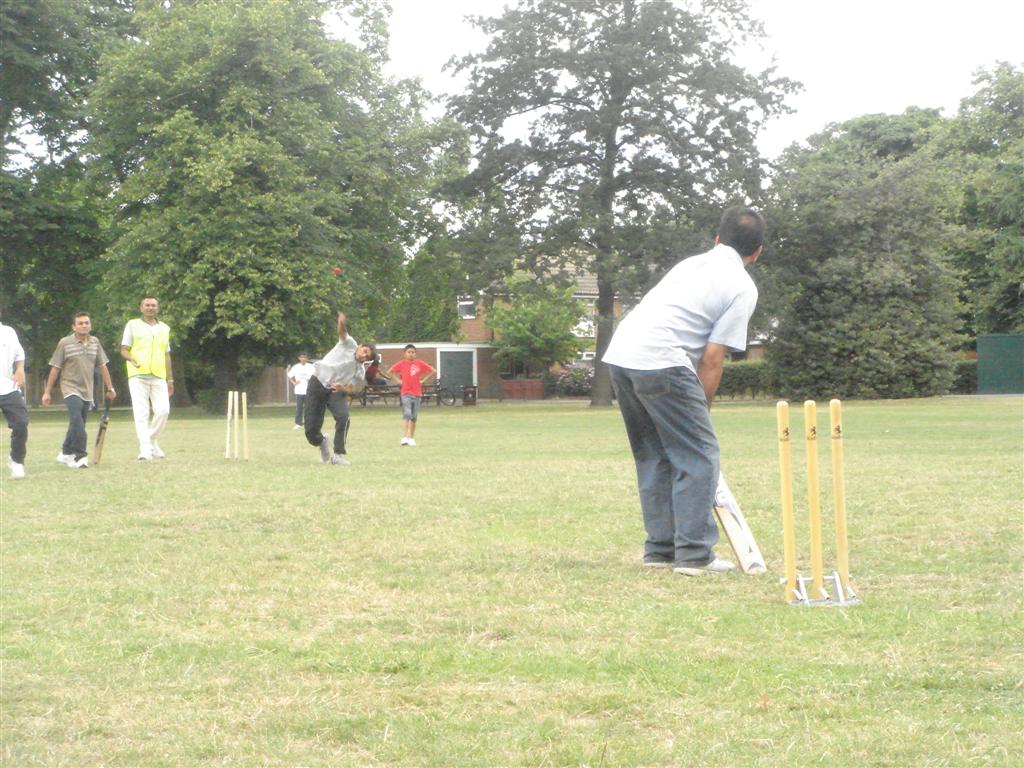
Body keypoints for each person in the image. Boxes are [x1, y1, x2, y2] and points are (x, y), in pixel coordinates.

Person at [602, 206, 764, 576]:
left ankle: (660, 550)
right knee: (699, 455)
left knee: (653, 454)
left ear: (717, 239)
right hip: (663, 359)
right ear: (757, 252)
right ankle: (694, 554)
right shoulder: (742, 287)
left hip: (621, 356)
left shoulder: (689, 265)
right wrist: (701, 410)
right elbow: (712, 358)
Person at [41, 311, 117, 469]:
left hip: (87, 390)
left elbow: (103, 366)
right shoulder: (65, 343)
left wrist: (110, 388)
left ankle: (65, 452)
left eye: (86, 323)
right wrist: (47, 391)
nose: (84, 325)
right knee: (77, 420)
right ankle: (80, 456)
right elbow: (55, 368)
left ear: (90, 325)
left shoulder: (95, 342)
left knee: (77, 422)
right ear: (73, 326)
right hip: (69, 387)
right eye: (80, 323)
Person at [303, 311, 375, 465]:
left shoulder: (360, 370)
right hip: (317, 382)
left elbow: (353, 388)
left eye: (367, 357)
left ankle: (338, 455)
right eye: (364, 352)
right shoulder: (350, 344)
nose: (364, 356)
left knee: (343, 417)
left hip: (335, 390)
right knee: (310, 431)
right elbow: (342, 332)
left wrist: (344, 389)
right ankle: (322, 441)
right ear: (360, 346)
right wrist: (341, 321)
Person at [120, 295, 173, 460]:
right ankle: (145, 450)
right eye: (147, 305)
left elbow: (167, 355)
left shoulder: (164, 328)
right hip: (138, 375)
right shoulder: (132, 325)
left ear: (158, 308)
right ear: (141, 308)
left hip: (158, 375)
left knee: (163, 410)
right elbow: (124, 349)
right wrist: (131, 358)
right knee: (141, 413)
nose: (150, 308)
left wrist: (170, 379)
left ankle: (151, 439)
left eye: (153, 305)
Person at [388, 344, 435, 446]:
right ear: (404, 353)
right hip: (406, 393)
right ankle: (404, 438)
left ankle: (411, 438)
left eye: (413, 352)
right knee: (407, 414)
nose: (411, 354)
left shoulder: (419, 363)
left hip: (417, 393)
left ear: (415, 354)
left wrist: (423, 380)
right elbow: (390, 371)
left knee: (414, 417)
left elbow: (432, 370)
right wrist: (399, 381)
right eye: (409, 352)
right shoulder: (401, 364)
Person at [0, 311, 29, 479]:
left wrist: (20, 369)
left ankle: (17, 460)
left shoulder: (8, 332)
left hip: (8, 386)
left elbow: (19, 354)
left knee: (21, 423)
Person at [286, 352, 315, 429]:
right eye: (302, 357)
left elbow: (315, 376)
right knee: (299, 408)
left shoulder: (310, 367)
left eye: (305, 357)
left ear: (306, 358)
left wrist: (311, 381)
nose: (303, 359)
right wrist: (294, 383)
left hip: (308, 390)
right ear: (299, 358)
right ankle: (298, 423)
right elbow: (289, 376)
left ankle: (308, 423)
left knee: (308, 408)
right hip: (299, 390)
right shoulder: (296, 367)